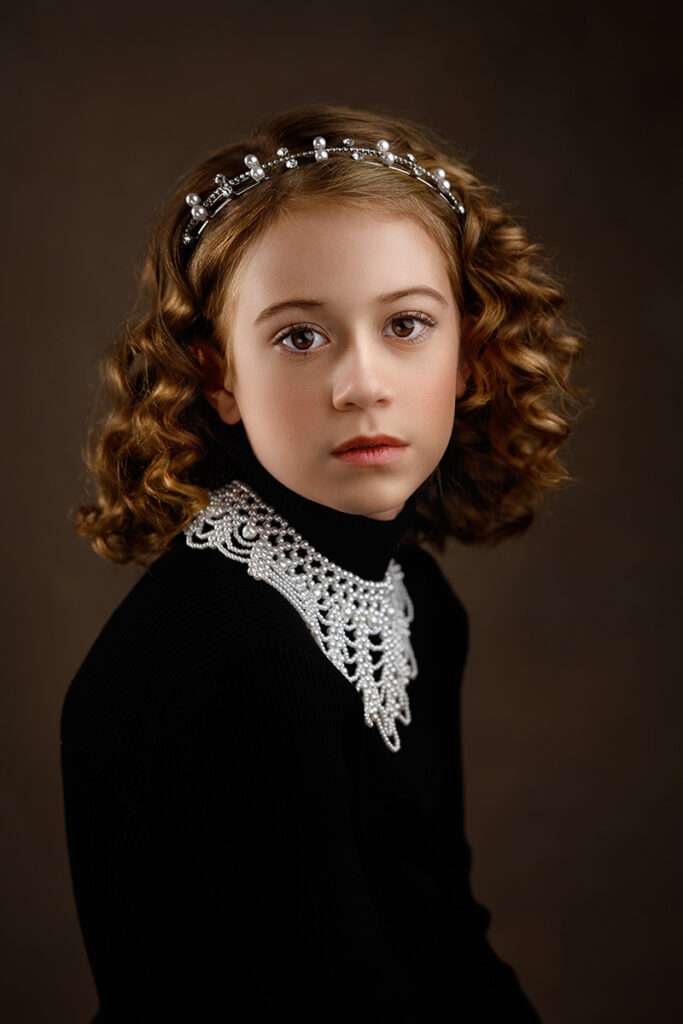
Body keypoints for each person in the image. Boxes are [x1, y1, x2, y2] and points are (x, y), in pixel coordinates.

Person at [60, 102, 589, 1021]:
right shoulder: (203, 654)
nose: (362, 385)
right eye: (300, 336)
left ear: (469, 352)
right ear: (219, 373)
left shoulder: (419, 602)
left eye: (406, 324)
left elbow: (437, 931)